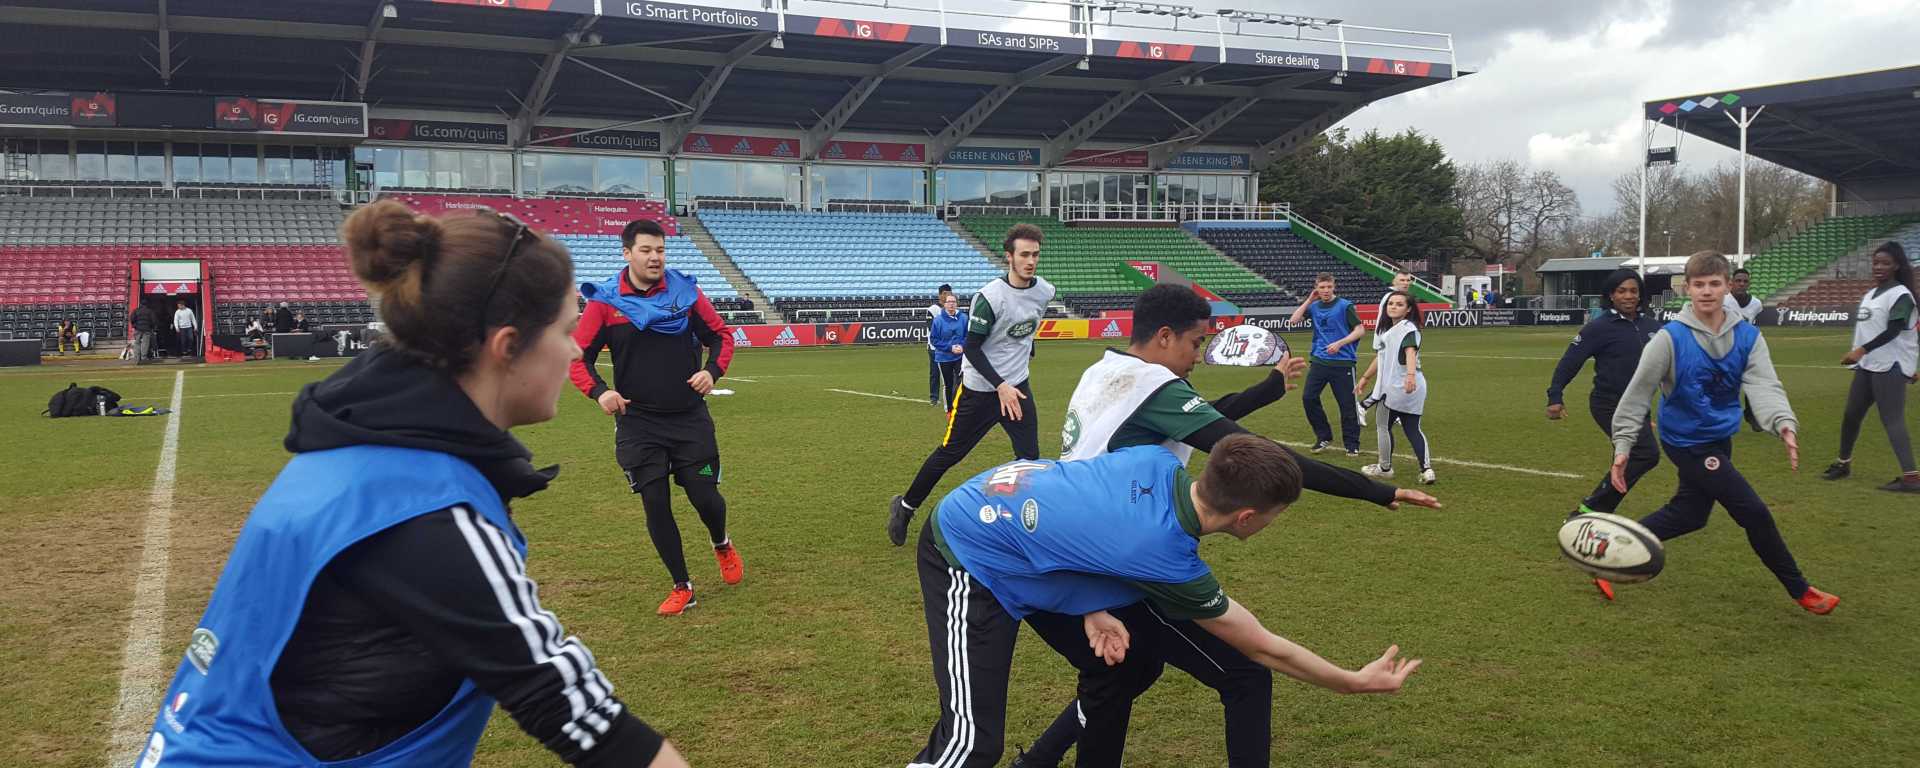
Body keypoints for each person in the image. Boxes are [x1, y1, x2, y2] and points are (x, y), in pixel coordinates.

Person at [139, 200, 688, 767]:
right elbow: (578, 712)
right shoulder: (426, 510)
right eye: (566, 331)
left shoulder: (359, 445)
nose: (576, 350)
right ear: (507, 347)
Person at [1020, 284, 1441, 768]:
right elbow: (1254, 450)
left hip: (1072, 541)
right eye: (1195, 343)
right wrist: (1375, 490)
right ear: (1163, 337)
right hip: (1121, 560)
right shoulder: (1152, 387)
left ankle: (1036, 761)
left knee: (1126, 675)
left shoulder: (1107, 368)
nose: (1198, 356)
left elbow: (1204, 421)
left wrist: (1265, 389)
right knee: (1242, 674)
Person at [913, 438, 1422, 768]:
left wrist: (1091, 603)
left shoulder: (1156, 461)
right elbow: (1263, 648)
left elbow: (1082, 509)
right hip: (966, 547)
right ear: (1246, 518)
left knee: (1123, 668)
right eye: (1276, 514)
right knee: (972, 744)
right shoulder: (1167, 559)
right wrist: (1353, 681)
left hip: (1007, 510)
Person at [1608, 250, 1838, 614]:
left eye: (1714, 283)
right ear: (1687, 288)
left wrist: (1783, 422)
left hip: (1718, 437)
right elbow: (1637, 394)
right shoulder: (1669, 339)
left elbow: (1764, 384)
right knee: (1754, 512)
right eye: (1698, 284)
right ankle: (1801, 590)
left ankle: (1611, 553)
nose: (1706, 291)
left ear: (1728, 286)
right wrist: (1623, 445)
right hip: (1685, 441)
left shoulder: (1747, 336)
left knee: (1690, 514)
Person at [571, 218, 741, 617]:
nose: (655, 258)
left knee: (705, 497)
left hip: (688, 419)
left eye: (660, 250)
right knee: (655, 501)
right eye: (646, 250)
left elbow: (721, 335)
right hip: (638, 423)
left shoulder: (685, 291)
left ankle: (721, 543)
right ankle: (683, 585)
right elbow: (577, 358)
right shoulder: (606, 303)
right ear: (626, 253)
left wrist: (712, 371)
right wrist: (601, 391)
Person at [887, 223, 1056, 546]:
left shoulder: (1044, 291)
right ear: (1009, 257)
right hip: (980, 391)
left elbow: (1026, 330)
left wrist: (1021, 360)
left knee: (1030, 459)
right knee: (950, 453)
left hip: (1017, 389)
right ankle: (905, 507)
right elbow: (973, 348)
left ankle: (1025, 527)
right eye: (1024, 254)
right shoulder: (990, 297)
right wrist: (999, 384)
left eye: (1035, 255)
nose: (1030, 261)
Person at [1547, 269, 1665, 569]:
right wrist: (1555, 396)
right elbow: (1570, 362)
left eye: (1633, 290)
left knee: (1633, 457)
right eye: (1622, 291)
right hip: (1608, 404)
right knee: (1646, 453)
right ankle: (1590, 508)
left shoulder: (1653, 327)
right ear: (1611, 295)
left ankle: (1595, 512)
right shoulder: (1599, 328)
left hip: (1639, 407)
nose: (1628, 296)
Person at [1822, 241, 1920, 493]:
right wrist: (1863, 355)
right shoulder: (1871, 294)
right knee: (1851, 415)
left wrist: (1860, 351)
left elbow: (1895, 329)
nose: (1878, 267)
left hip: (1890, 366)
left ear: (1897, 265)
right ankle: (1843, 463)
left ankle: (1912, 478)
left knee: (1892, 420)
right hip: (1869, 366)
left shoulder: (1901, 295)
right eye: (1876, 262)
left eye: (1885, 263)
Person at [1355, 291, 1435, 485]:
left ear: (1408, 309)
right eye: (1391, 303)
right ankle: (1427, 470)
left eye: (1399, 304)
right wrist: (1366, 377)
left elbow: (1410, 351)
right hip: (1412, 386)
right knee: (1412, 428)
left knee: (1383, 425)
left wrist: (1409, 376)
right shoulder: (1391, 331)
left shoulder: (1406, 329)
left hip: (1399, 385)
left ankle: (1384, 468)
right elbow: (1381, 357)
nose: (1393, 306)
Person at [1286, 273, 1364, 456]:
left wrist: (1340, 343)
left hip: (1343, 362)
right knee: (1308, 398)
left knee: (1347, 405)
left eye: (1328, 287)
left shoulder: (1345, 306)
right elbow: (1293, 320)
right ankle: (1324, 436)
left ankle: (1352, 444)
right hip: (1319, 361)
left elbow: (1359, 330)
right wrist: (1308, 300)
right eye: (1322, 287)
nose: (1326, 291)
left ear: (1334, 286)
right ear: (1316, 288)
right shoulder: (1314, 307)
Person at [1359, 271, 1417, 425]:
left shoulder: (1399, 297)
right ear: (1394, 281)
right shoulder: (1391, 297)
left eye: (1408, 280)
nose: (1406, 282)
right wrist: (1383, 343)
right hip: (1387, 344)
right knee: (1386, 381)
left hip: (1393, 343)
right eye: (1402, 280)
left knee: (1393, 380)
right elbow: (1385, 322)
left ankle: (1394, 409)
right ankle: (1362, 406)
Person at [1724, 267, 1766, 431]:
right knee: (1727, 385)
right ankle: (1723, 416)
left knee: (1753, 380)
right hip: (1725, 349)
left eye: (1745, 281)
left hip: (1745, 348)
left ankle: (1752, 414)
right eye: (1738, 281)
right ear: (1731, 284)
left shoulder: (1756, 304)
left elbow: (1755, 325)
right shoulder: (1723, 301)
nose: (1741, 284)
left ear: (1749, 284)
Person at [929, 291, 968, 411]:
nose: (951, 304)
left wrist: (962, 346)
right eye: (949, 302)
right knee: (948, 383)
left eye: (953, 302)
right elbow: (934, 340)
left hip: (960, 356)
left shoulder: (964, 318)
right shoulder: (938, 321)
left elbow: (968, 335)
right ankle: (949, 408)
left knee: (962, 381)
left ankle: (960, 406)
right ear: (944, 304)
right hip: (944, 357)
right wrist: (950, 348)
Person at [926, 283, 953, 405]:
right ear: (941, 294)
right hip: (934, 347)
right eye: (947, 293)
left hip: (949, 347)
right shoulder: (932, 310)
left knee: (950, 373)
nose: (949, 296)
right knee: (935, 373)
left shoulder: (952, 309)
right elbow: (932, 328)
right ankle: (934, 397)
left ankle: (951, 397)